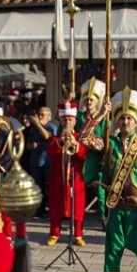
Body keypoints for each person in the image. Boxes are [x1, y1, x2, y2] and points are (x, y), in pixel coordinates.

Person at [88, 88, 137, 272]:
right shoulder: (109, 142)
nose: (125, 121)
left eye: (129, 118)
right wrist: (99, 115)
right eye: (122, 118)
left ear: (136, 122)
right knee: (111, 258)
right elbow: (84, 139)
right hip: (116, 209)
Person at [45, 101, 87, 246]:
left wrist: (75, 144)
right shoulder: (55, 138)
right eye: (65, 120)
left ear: (75, 121)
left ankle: (78, 235)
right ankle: (54, 233)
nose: (67, 122)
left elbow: (83, 156)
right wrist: (61, 141)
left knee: (78, 206)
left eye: (70, 120)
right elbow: (50, 152)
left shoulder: (80, 137)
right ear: (61, 121)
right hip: (58, 179)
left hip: (75, 178)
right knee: (56, 205)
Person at [78, 78, 108, 222]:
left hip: (97, 158)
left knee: (101, 191)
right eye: (87, 99)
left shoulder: (104, 118)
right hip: (80, 157)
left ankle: (104, 218)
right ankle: (77, 220)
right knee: (77, 191)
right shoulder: (79, 117)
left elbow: (106, 137)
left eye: (91, 100)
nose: (89, 102)